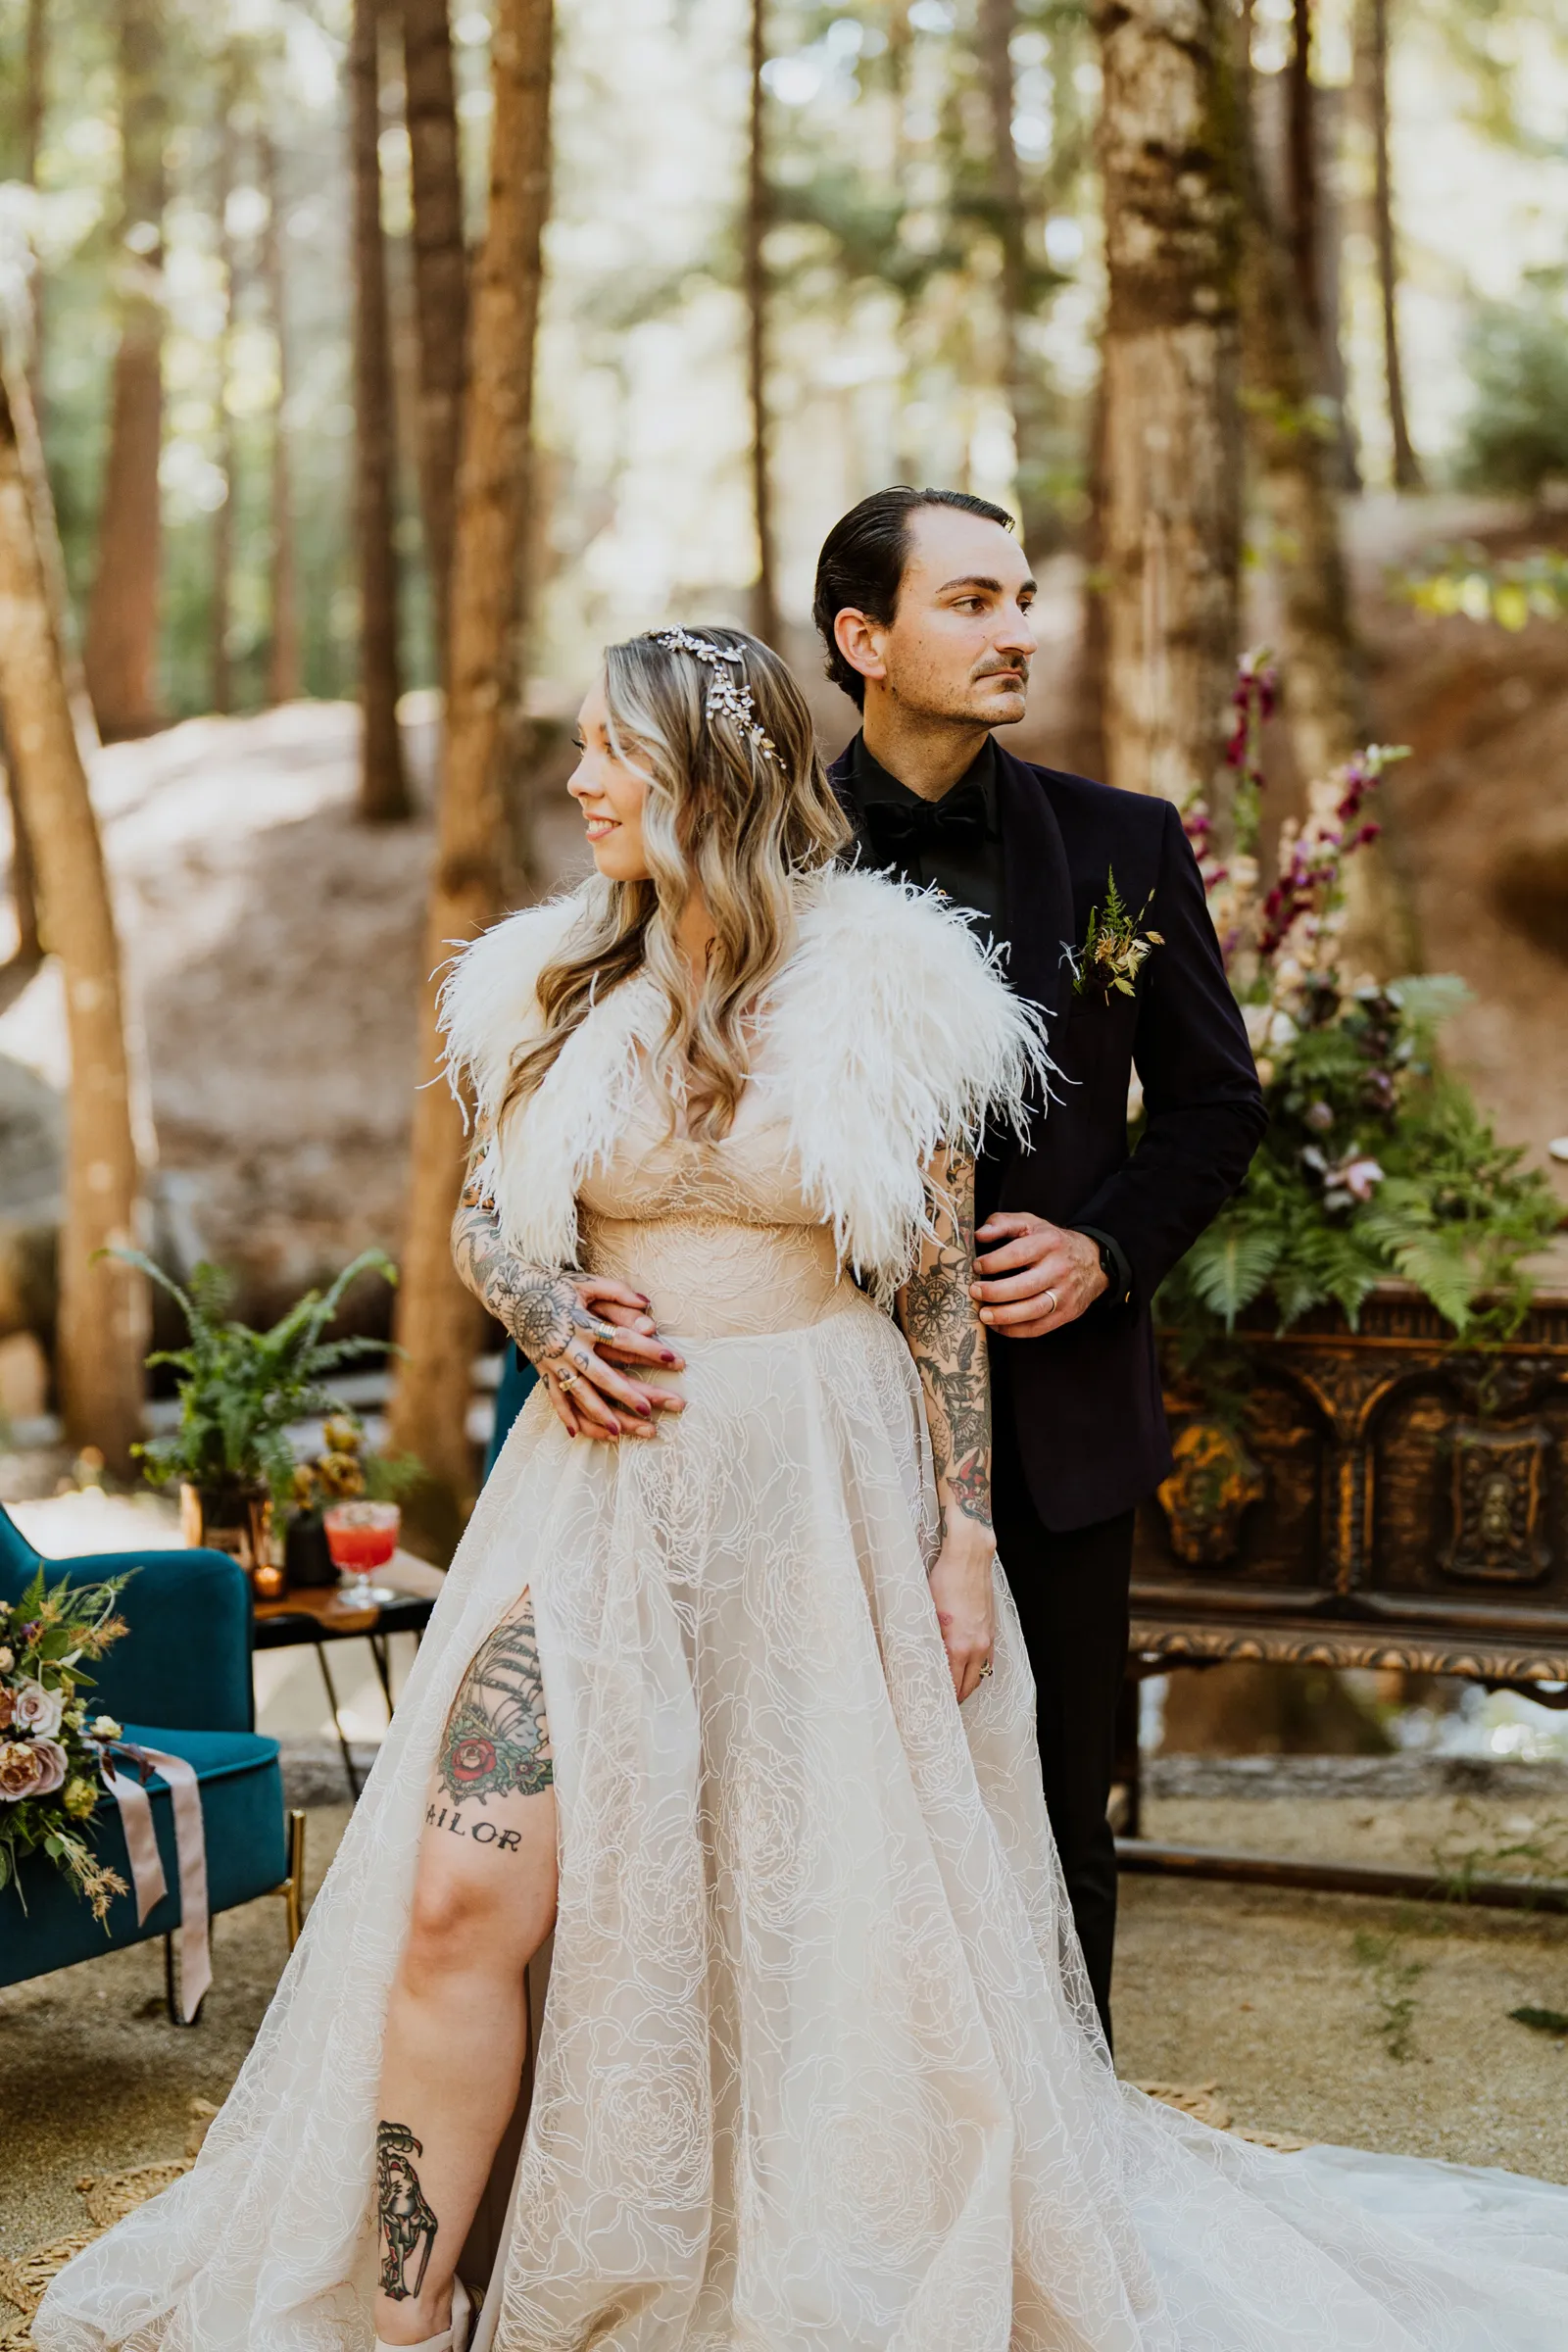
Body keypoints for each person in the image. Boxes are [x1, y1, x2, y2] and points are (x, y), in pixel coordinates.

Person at [39, 628, 1568, 2352]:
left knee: (803, 1913)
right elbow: (484, 1218)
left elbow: (932, 1290)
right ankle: (404, 2319)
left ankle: (760, 2249)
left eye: (609, 751)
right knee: (467, 1891)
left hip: (821, 1491)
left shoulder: (890, 986)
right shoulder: (546, 981)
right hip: (595, 1494)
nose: (578, 782)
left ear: (707, 774)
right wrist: (541, 1306)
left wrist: (965, 1536)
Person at [816, 485, 1267, 2042]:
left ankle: (1071, 2133)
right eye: (973, 601)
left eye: (1022, 597)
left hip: (1062, 1411)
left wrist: (1105, 1248)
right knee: (833, 1798)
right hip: (827, 1401)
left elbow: (1217, 1106)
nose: (1019, 630)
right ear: (863, 638)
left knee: (1064, 1805)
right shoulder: (769, 854)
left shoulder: (1127, 844)